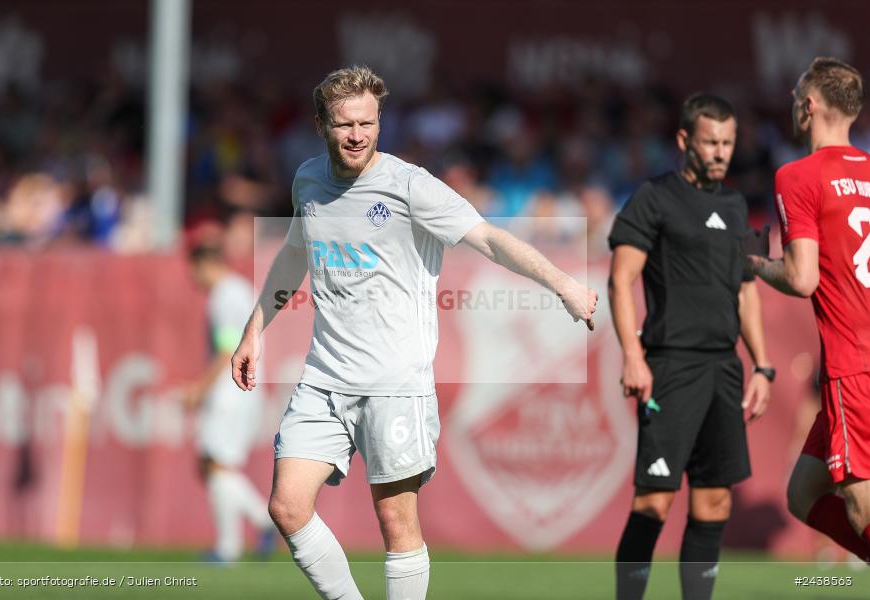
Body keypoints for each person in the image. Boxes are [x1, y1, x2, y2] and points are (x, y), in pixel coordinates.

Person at [230, 65, 598, 600]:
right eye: (343, 124)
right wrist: (254, 330)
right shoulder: (308, 180)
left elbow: (490, 239)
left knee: (395, 524)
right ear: (321, 125)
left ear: (380, 123)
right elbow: (293, 256)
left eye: (367, 123)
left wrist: (563, 282)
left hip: (395, 383)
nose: (356, 134)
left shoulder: (409, 185)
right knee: (286, 506)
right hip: (325, 379)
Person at [608, 93, 773, 600]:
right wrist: (633, 357)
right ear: (685, 141)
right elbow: (621, 281)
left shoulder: (737, 203)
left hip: (724, 370)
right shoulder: (653, 198)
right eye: (711, 142)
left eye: (728, 142)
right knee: (653, 502)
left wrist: (763, 367)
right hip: (670, 367)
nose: (721, 152)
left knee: (714, 504)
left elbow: (746, 289)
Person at [750, 57, 870, 563]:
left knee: (861, 509)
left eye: (796, 94)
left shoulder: (798, 175)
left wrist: (752, 260)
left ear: (810, 105)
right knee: (803, 493)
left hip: (854, 363)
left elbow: (802, 278)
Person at [185, 242, 278, 562]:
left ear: (204, 264)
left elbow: (227, 347)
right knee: (211, 464)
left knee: (217, 464)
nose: (192, 278)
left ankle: (231, 545)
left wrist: (199, 389)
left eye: (193, 270)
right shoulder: (240, 290)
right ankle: (257, 526)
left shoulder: (225, 295)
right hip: (244, 389)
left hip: (231, 391)